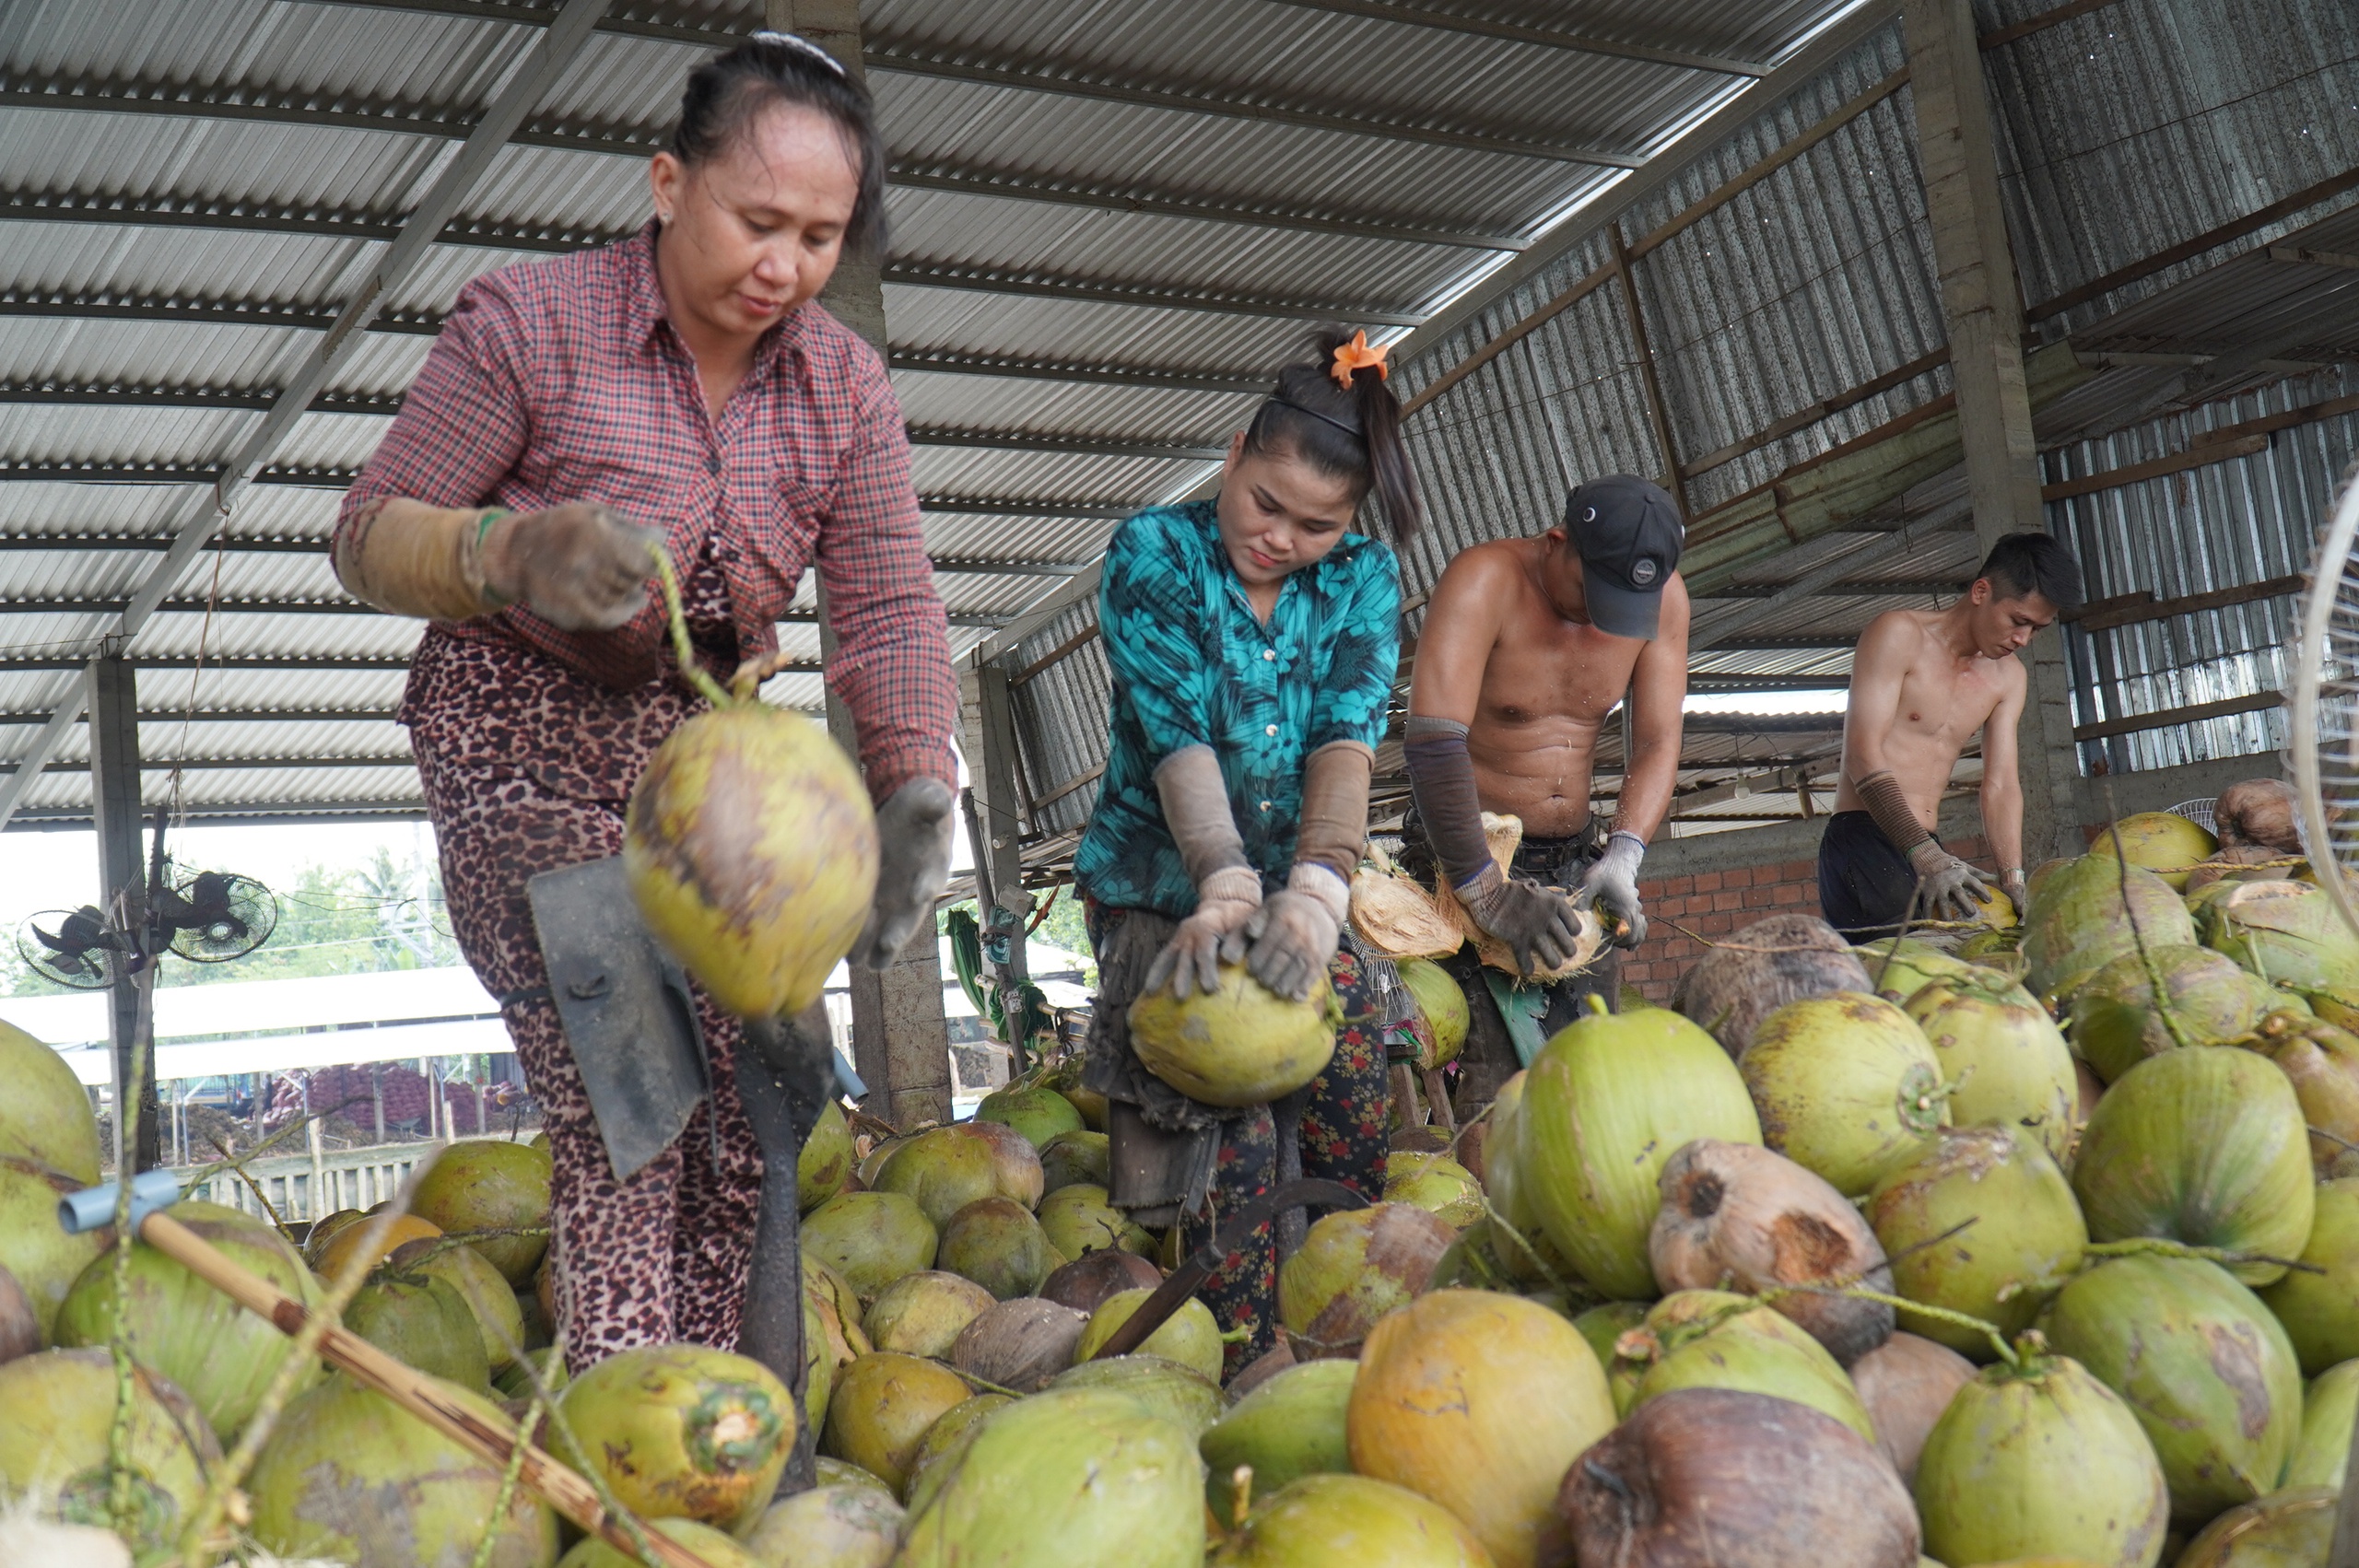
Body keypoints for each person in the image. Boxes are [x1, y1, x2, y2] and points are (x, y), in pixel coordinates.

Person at [329, 33, 960, 1370]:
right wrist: (507, 551)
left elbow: (892, 603)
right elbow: (367, 530)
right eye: (758, 220)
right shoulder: (532, 324)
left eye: (822, 235)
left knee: (745, 1106)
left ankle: (726, 1426)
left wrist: (915, 776)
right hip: (513, 735)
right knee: (630, 1083)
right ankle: (631, 1429)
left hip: (697, 763)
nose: (784, 266)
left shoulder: (843, 383)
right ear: (669, 181)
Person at [1078, 327, 1419, 1373]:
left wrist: (1318, 891)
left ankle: (1333, 1329)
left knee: (1351, 1064)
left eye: (1316, 525)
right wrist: (1223, 878)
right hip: (1162, 887)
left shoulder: (1361, 580)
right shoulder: (1153, 553)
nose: (1280, 538)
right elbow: (1174, 731)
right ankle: (1236, 1361)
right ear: (1232, 453)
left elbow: (1346, 736)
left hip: (1292, 886)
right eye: (1265, 503)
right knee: (1227, 1123)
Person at [1402, 476, 1689, 1084]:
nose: (1597, 616)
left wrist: (1624, 855)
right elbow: (1431, 740)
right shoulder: (1485, 581)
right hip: (1466, 856)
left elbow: (1660, 739)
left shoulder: (1664, 600)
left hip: (1572, 863)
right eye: (1591, 591)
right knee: (1494, 1085)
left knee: (1588, 1076)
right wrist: (1487, 895)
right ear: (1558, 542)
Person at [1818, 532, 2086, 941]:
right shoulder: (1899, 634)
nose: (2022, 640)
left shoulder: (2010, 677)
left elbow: (2000, 785)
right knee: (1892, 981)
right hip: (1864, 836)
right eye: (2018, 621)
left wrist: (2012, 878)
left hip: (1928, 846)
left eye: (2037, 630)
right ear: (1982, 591)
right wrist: (1924, 854)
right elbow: (1861, 754)